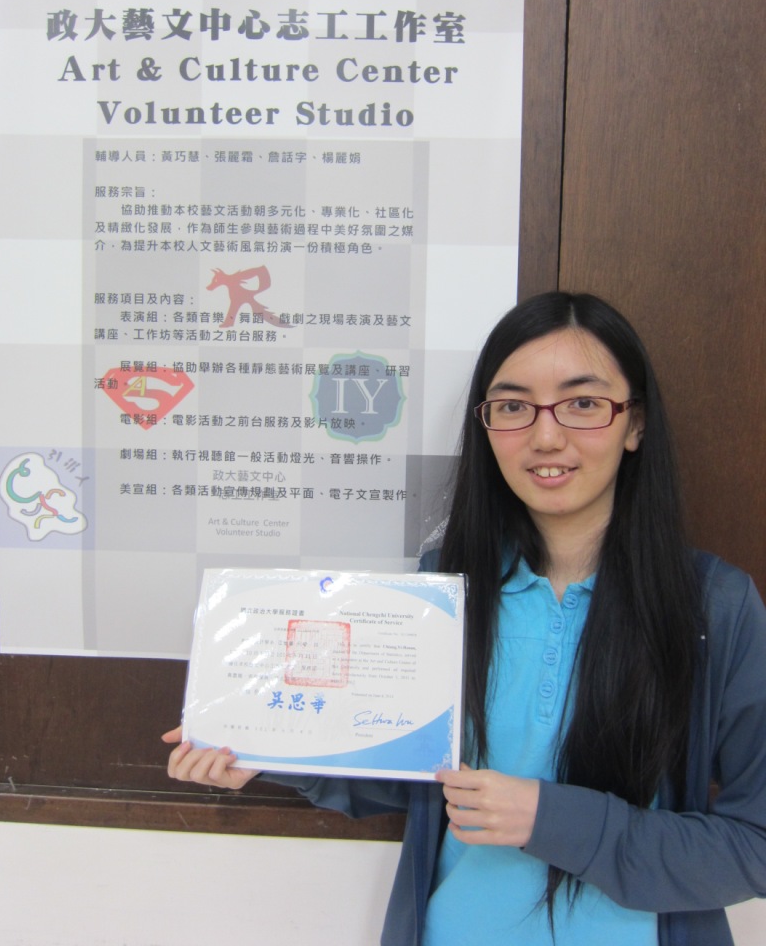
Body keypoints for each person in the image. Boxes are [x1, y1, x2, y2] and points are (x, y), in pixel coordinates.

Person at [164, 291, 766, 946]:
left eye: (583, 404)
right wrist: (267, 749)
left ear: (635, 424)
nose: (545, 436)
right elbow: (412, 780)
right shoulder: (442, 591)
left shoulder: (715, 606)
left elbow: (754, 846)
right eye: (512, 406)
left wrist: (551, 820)